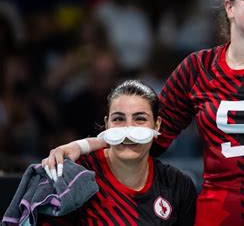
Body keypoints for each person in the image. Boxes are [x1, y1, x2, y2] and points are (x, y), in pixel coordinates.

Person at [42, 0, 244, 225]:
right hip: (215, 214)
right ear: (230, 8)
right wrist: (82, 146)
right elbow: (149, 136)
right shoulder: (197, 68)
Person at [41, 80, 197, 225]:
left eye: (140, 119)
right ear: (107, 124)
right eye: (118, 119)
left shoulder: (178, 185)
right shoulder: (75, 179)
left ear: (157, 125)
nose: (128, 130)